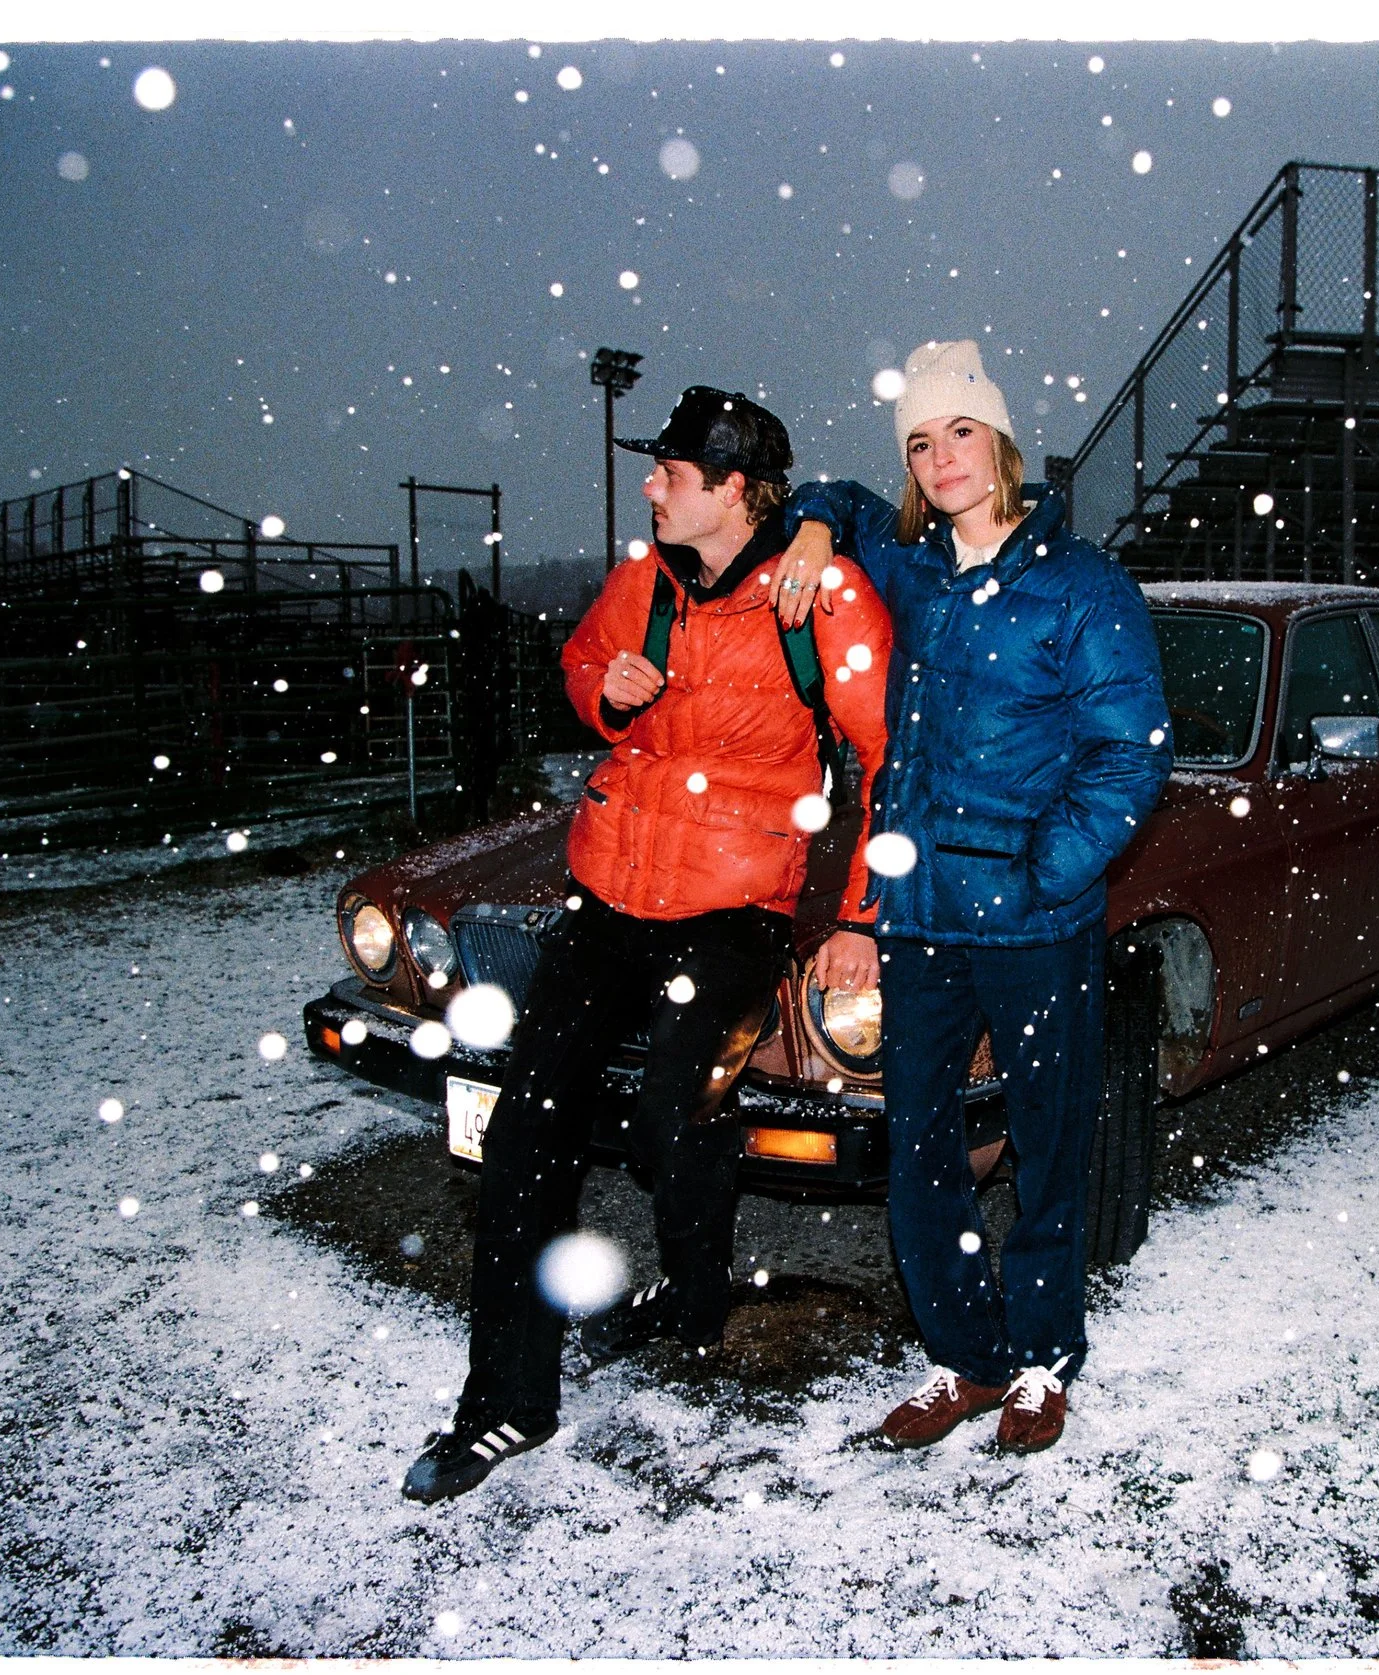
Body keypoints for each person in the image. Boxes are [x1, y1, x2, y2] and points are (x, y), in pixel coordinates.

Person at [405, 386, 893, 1504]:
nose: (652, 485)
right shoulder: (644, 583)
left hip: (735, 907)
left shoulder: (820, 597)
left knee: (675, 1106)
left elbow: (886, 761)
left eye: (673, 470)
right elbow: (580, 671)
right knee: (526, 1132)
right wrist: (609, 693)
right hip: (609, 893)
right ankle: (506, 1406)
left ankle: (696, 1284)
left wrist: (862, 914)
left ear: (733, 489)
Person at [767, 339, 1171, 1454]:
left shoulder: (1077, 584)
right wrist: (809, 522)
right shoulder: (912, 571)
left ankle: (1041, 1361)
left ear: (996, 441)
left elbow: (1131, 752)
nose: (939, 458)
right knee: (921, 1150)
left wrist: (1048, 871)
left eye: (957, 432)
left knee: (1047, 1144)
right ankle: (966, 1360)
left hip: (1035, 925)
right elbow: (833, 501)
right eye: (917, 442)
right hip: (921, 921)